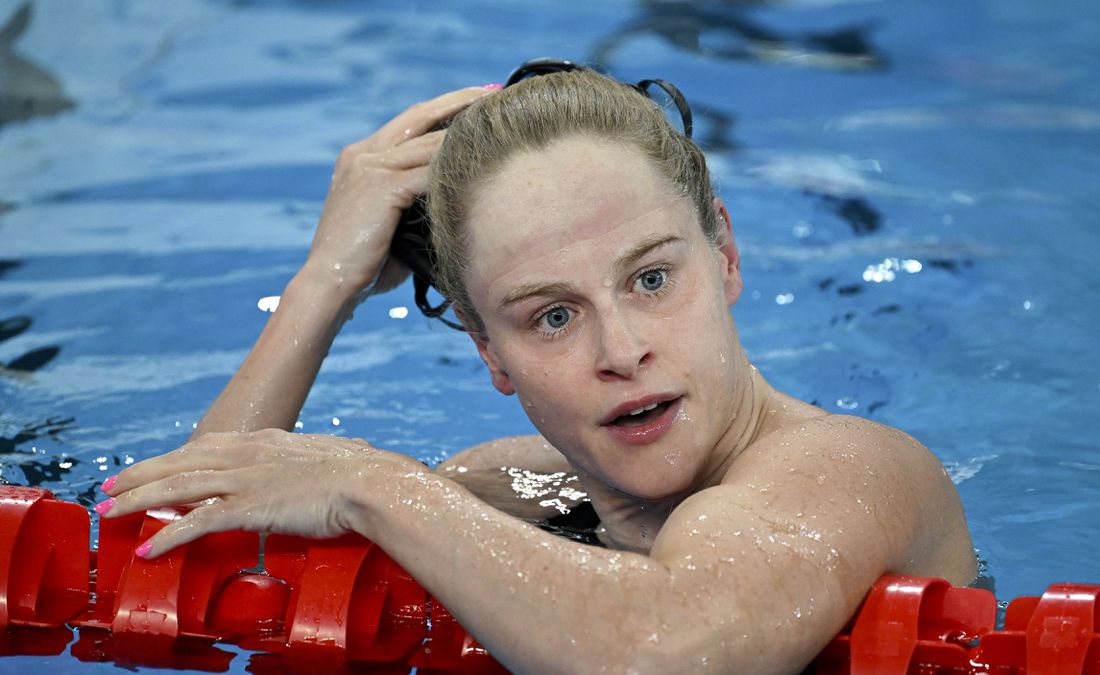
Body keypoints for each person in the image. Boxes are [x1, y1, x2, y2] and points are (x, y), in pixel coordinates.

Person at [96, 66, 977, 672]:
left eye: (653, 278)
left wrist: (377, 486)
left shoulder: (856, 469)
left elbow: (673, 651)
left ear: (728, 255)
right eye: (552, 316)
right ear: (491, 354)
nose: (621, 349)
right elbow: (173, 567)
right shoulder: (512, 490)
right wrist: (324, 283)